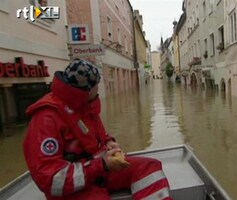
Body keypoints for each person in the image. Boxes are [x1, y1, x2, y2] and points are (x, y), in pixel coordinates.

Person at [23, 58, 173, 200]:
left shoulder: (84, 106)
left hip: (99, 172)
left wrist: (108, 142)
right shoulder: (46, 119)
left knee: (148, 167)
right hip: (74, 189)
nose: (98, 89)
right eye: (97, 86)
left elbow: (96, 136)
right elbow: (51, 179)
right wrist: (101, 165)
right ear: (87, 90)